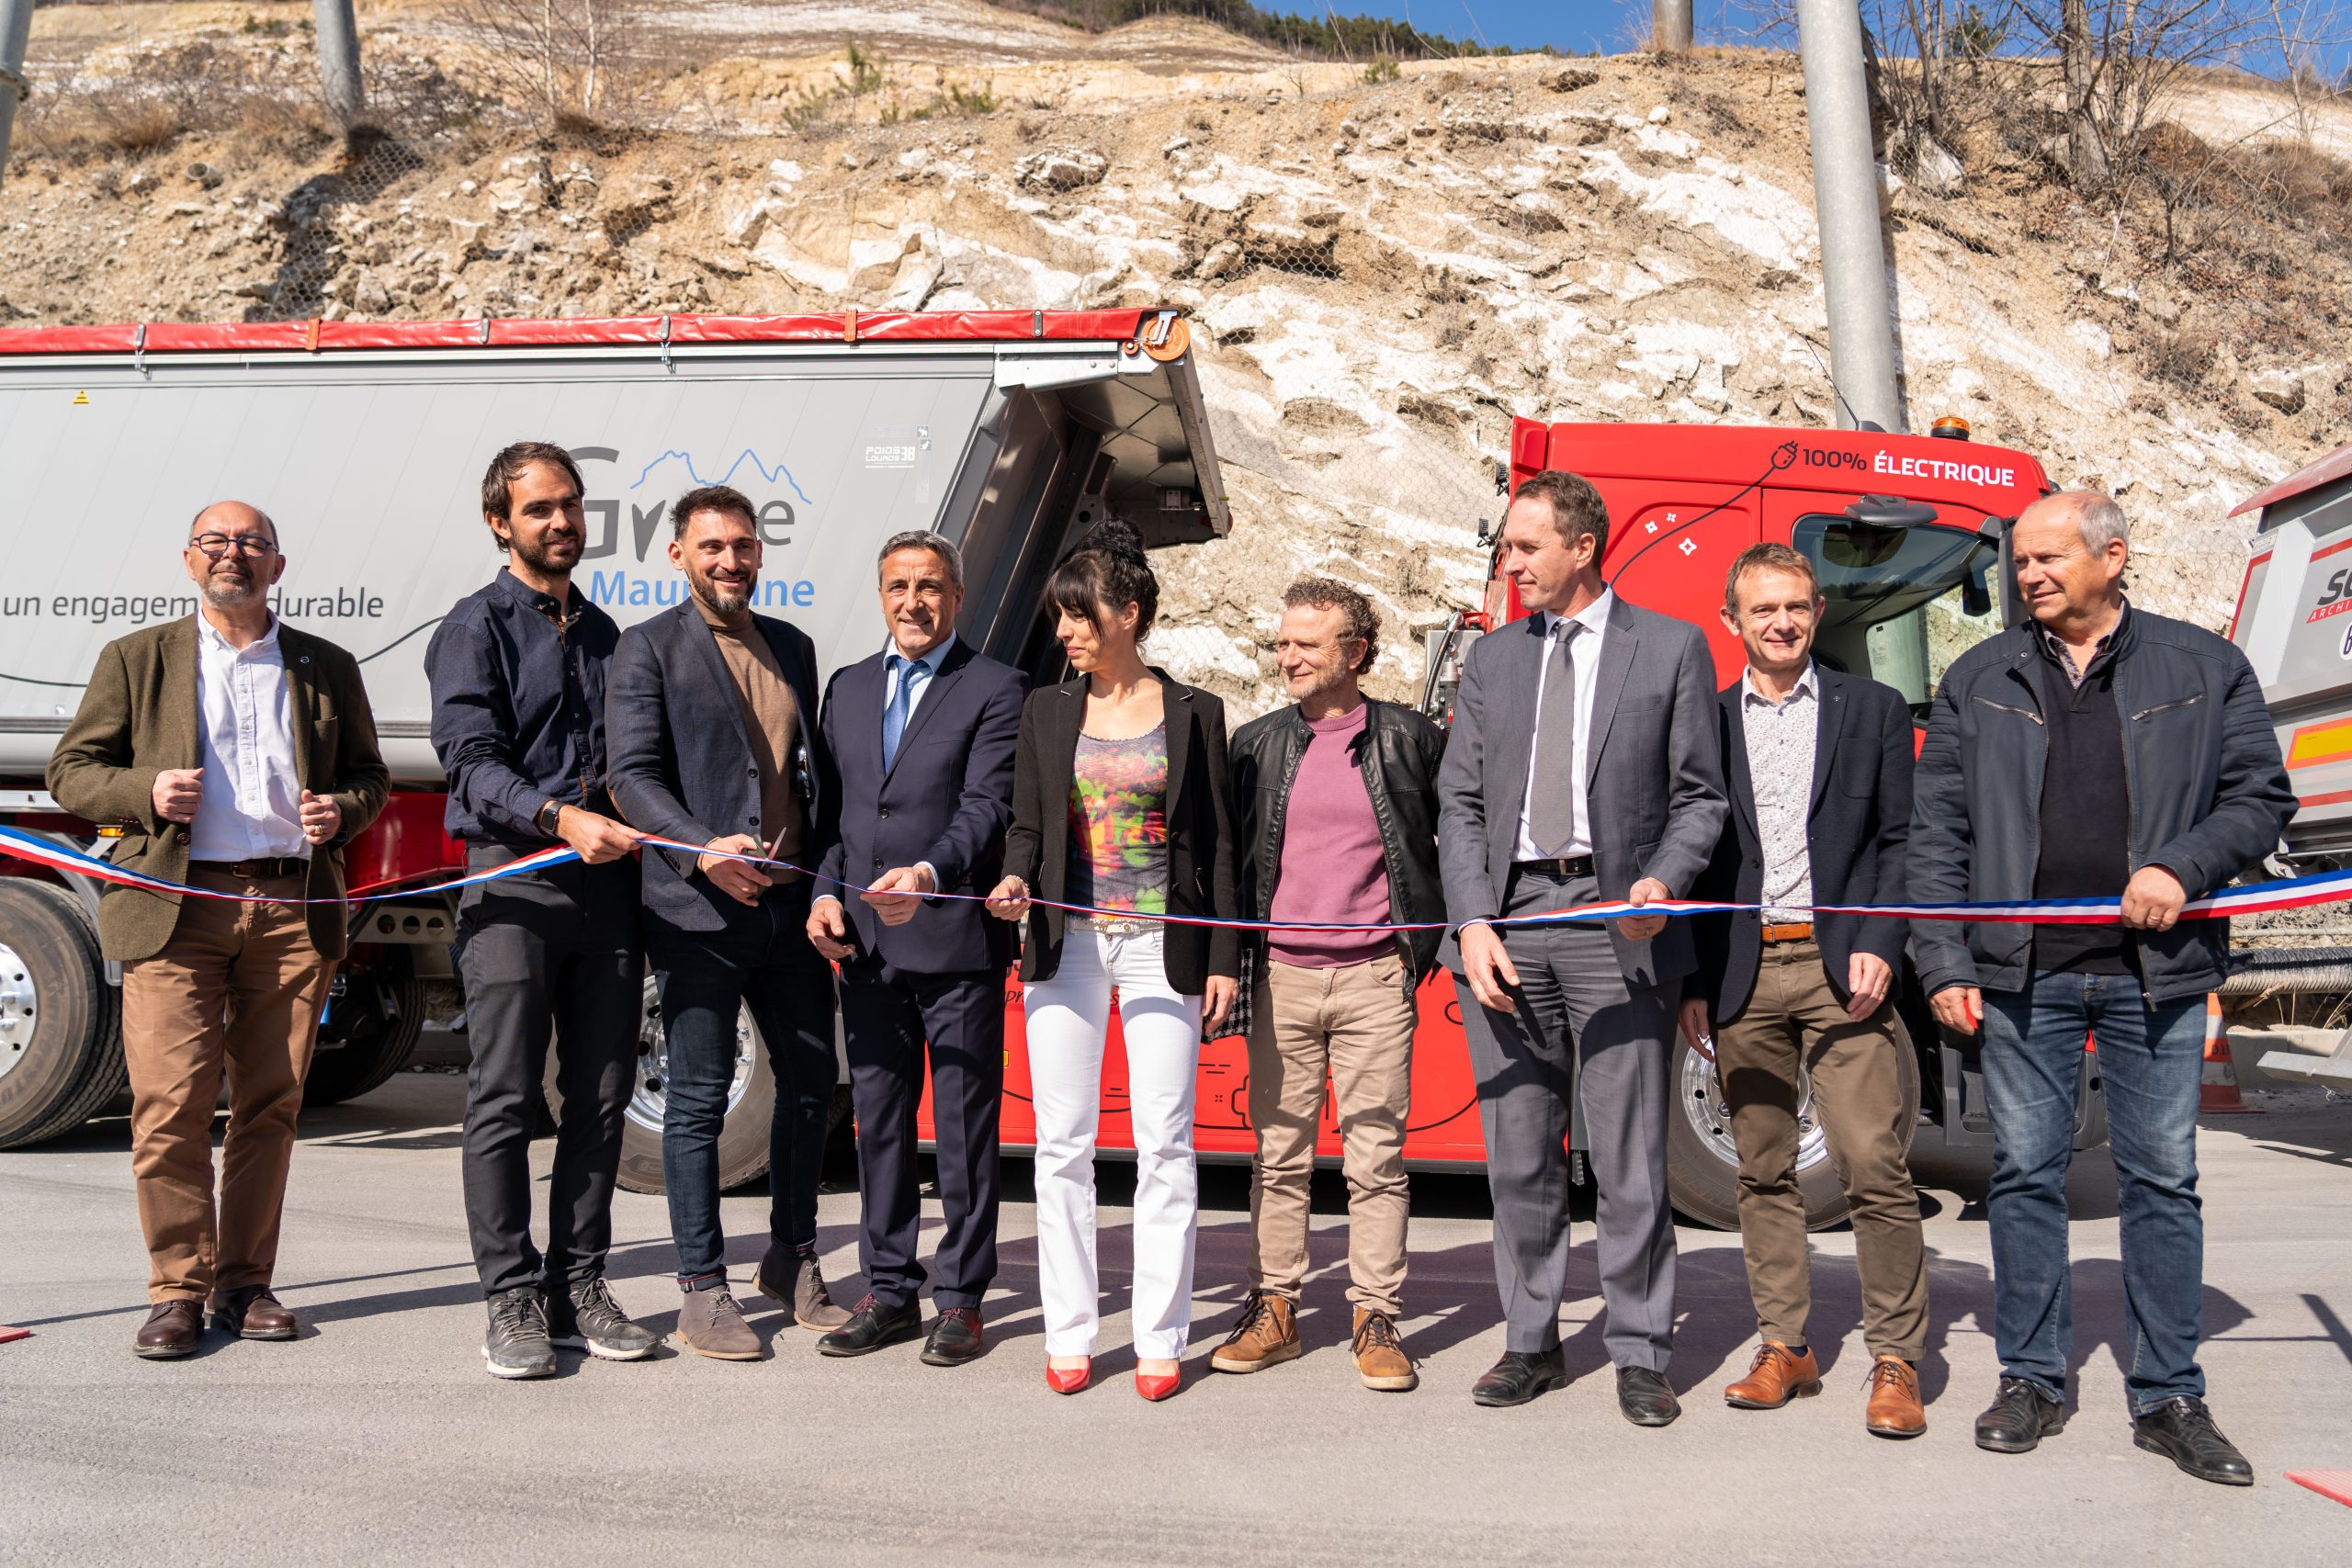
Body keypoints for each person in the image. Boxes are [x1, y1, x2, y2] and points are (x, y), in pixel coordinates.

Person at [1910, 491, 2293, 1486]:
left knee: (2161, 1182)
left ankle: (2168, 1394)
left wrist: (2180, 866)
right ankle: (2032, 1378)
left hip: (2154, 979)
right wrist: (1945, 962)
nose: (2026, 574)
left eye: (2045, 557)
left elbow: (2260, 797)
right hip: (2023, 978)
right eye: (2018, 560)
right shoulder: (1975, 675)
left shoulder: (2204, 668)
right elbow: (1938, 833)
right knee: (2026, 1179)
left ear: (2111, 557)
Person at [49, 502, 389, 1359]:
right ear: (189, 559)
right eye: (216, 541)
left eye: (251, 543)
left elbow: (369, 776)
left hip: (289, 908)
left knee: (269, 1108)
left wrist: (339, 811)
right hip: (177, 906)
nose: (232, 554)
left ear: (278, 567)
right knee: (170, 1106)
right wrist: (145, 793)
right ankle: (176, 1290)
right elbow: (71, 771)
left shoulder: (324, 664)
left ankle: (246, 1283)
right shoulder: (137, 657)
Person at [1436, 468, 1726, 1420]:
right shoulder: (1494, 660)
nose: (1508, 563)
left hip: (1618, 928)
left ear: (1581, 547)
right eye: (1507, 548)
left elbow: (1699, 798)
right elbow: (1462, 802)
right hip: (1511, 922)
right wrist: (1473, 920)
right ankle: (1531, 1341)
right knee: (1519, 1154)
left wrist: (1664, 880)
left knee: (1628, 1154)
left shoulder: (1671, 649)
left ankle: (1640, 1347)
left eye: (1525, 547)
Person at [984, 520, 1238, 1402]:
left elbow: (1220, 846)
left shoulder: (1196, 711)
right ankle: (1070, 1333)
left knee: (1165, 1142)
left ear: (1128, 613)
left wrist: (1223, 958)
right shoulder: (1047, 709)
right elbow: (1025, 826)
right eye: (1060, 618)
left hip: (1164, 945)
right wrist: (1016, 879)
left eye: (1078, 615)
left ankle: (1161, 1337)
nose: (1064, 632)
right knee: (1061, 1145)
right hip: (1067, 945)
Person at [1679, 543, 1928, 1438]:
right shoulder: (1704, 721)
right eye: (1761, 610)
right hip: (1744, 973)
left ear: (1817, 612)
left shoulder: (1873, 709)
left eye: (1794, 606)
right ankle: (1785, 1345)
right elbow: (1696, 857)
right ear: (1731, 621)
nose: (1779, 622)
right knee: (1762, 1171)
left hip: (1841, 969)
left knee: (1871, 1162)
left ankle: (1895, 1358)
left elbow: (1898, 840)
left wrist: (1879, 944)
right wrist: (1694, 981)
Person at [426, 441, 656, 1380]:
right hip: (514, 889)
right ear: (499, 522)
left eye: (570, 506)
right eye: (538, 510)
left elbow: (640, 769)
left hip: (607, 898)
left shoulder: (609, 637)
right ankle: (510, 1297)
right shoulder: (472, 628)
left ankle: (580, 1287)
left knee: (600, 1100)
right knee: (506, 1099)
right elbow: (470, 764)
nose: (560, 522)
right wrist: (561, 816)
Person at [607, 484, 846, 1359]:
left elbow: (806, 776)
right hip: (697, 910)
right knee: (699, 1103)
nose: (730, 560)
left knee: (812, 1087)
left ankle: (791, 1257)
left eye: (743, 545)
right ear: (679, 555)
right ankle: (701, 1287)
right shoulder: (648, 649)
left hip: (787, 906)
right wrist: (702, 848)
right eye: (712, 547)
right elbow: (630, 776)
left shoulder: (793, 647)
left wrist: (823, 881)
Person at [1214, 577, 1445, 1393]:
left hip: (1377, 977)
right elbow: (1231, 863)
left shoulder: (1410, 738)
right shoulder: (1256, 744)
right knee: (1278, 1156)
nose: (1289, 658)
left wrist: (1424, 949)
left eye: (1307, 645)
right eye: (1282, 643)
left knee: (1377, 1157)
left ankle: (1375, 1316)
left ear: (1355, 652)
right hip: (1282, 978)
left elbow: (1441, 846)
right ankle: (1274, 1308)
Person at [805, 531, 1026, 1365]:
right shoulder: (850, 687)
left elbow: (986, 807)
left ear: (956, 596)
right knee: (881, 1125)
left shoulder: (997, 687)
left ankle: (962, 1298)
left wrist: (931, 872)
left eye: (929, 586)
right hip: (865, 947)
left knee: (965, 1131)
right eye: (898, 585)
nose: (913, 601)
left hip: (954, 941)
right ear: (880, 592)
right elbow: (837, 816)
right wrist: (826, 889)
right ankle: (890, 1289)